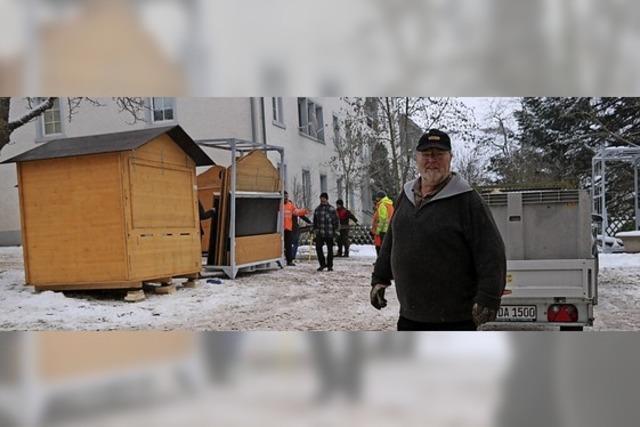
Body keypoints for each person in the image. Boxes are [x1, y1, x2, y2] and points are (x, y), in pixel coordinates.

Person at [370, 129, 506, 331]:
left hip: (455, 320)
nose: (432, 160)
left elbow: (491, 253)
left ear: (450, 158)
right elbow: (392, 239)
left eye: (439, 154)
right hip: (410, 316)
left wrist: (489, 297)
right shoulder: (405, 196)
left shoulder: (467, 200)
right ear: (416, 158)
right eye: (426, 154)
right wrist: (380, 279)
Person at [313, 192, 339, 272]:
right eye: (321, 198)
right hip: (320, 232)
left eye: (324, 198)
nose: (322, 200)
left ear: (327, 199)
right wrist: (315, 229)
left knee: (330, 249)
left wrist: (336, 231)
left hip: (329, 232)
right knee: (318, 248)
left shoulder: (331, 209)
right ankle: (322, 264)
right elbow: (315, 221)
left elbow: (336, 221)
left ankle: (330, 265)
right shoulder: (317, 209)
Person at [283, 191, 309, 266]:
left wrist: (304, 211)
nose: (286, 198)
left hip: (288, 228)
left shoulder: (290, 205)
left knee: (288, 245)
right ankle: (281, 259)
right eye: (284, 196)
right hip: (280, 229)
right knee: (282, 245)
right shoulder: (280, 205)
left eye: (287, 196)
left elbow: (297, 212)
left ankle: (289, 260)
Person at [371, 191, 394, 257]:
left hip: (382, 230)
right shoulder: (389, 205)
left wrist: (378, 230)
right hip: (389, 229)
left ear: (380, 198)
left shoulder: (382, 205)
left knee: (380, 247)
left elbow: (382, 219)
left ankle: (380, 261)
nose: (376, 199)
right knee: (386, 247)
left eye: (377, 197)